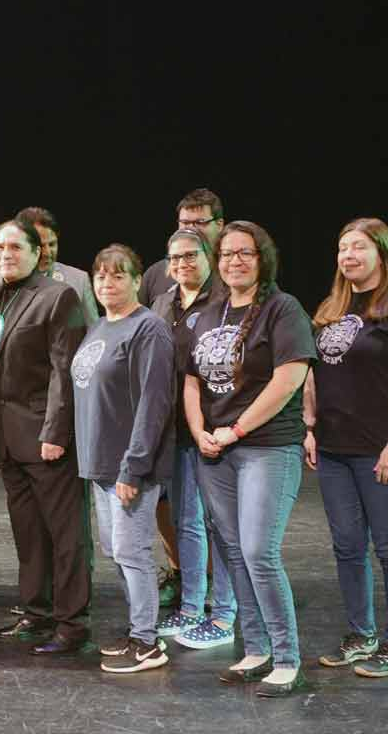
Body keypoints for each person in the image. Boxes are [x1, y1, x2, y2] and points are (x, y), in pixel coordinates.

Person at [183, 221, 315, 697]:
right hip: (214, 450)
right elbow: (192, 379)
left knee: (259, 552)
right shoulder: (208, 313)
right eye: (226, 254)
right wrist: (199, 430)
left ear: (263, 259)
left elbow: (289, 379)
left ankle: (286, 659)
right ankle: (256, 650)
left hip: (266, 447)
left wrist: (236, 429)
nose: (234, 261)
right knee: (234, 553)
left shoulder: (283, 309)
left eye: (245, 253)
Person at [306, 218, 388, 678]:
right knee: (346, 545)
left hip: (384, 449)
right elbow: (315, 372)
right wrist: (309, 425)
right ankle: (362, 636)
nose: (348, 256)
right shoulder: (332, 308)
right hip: (336, 450)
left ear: (382, 253)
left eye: (358, 247)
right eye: (342, 248)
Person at [0, 219, 90, 654]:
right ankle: (36, 612)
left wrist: (56, 431)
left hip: (47, 436)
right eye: (0, 247)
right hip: (9, 437)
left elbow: (66, 370)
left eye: (15, 247)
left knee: (65, 533)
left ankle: (72, 623)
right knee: (27, 531)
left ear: (36, 253)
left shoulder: (57, 296)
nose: (6, 254)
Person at [72, 244, 175, 673]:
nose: (107, 284)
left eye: (118, 275)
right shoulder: (98, 327)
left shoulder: (147, 329)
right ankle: (137, 629)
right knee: (116, 550)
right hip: (101, 463)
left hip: (129, 466)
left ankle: (148, 642)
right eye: (100, 276)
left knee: (133, 551)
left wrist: (133, 467)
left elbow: (153, 404)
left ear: (137, 281)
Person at [149, 230, 239, 649]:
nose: (182, 263)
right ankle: (190, 608)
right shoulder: (163, 302)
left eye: (190, 256)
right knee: (186, 522)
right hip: (177, 430)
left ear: (209, 257)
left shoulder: (224, 301)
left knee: (220, 523)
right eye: (174, 257)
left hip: (216, 428)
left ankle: (223, 614)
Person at [139, 188, 226, 307]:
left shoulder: (231, 269)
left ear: (219, 225)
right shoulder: (156, 274)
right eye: (185, 223)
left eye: (200, 222)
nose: (191, 228)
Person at [14, 206, 99, 327]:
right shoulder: (2, 282)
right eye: (41, 245)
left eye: (52, 244)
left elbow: (94, 332)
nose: (47, 253)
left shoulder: (79, 280)